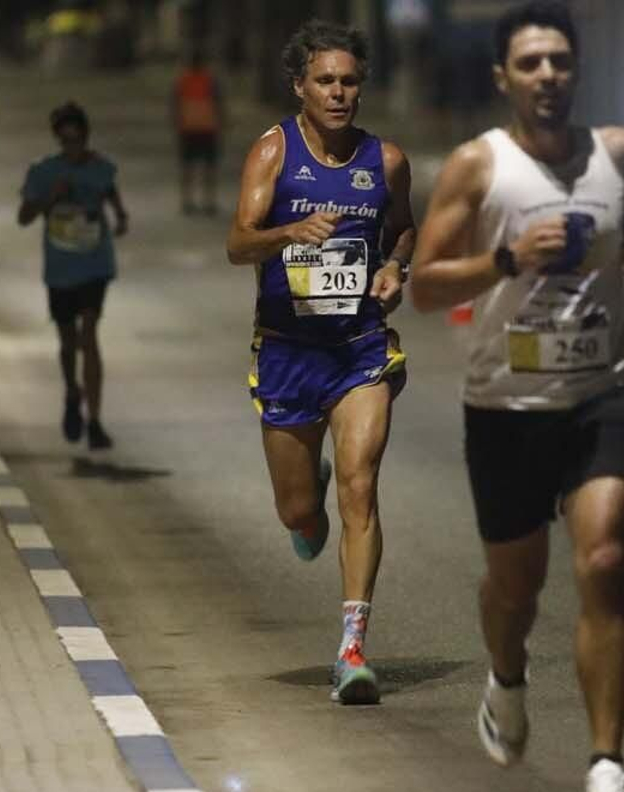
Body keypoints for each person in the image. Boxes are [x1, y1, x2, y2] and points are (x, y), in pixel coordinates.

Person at [409, 0, 624, 792]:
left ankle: (606, 770)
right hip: (507, 409)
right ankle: (506, 679)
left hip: (601, 394)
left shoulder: (615, 152)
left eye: (558, 61)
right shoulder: (478, 167)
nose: (546, 76)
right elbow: (426, 284)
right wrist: (509, 258)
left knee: (606, 560)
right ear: (502, 78)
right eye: (529, 64)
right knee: (518, 591)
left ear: (575, 70)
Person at [225, 20, 414, 706]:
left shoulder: (385, 159)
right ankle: (307, 503)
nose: (339, 93)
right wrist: (287, 232)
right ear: (300, 87)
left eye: (350, 81)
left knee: (360, 488)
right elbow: (238, 243)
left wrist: (395, 267)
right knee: (301, 513)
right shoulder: (273, 152)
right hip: (286, 352)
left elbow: (404, 228)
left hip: (359, 351)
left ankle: (354, 648)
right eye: (326, 81)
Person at [17, 102, 129, 452]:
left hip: (95, 266)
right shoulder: (44, 172)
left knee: (89, 334)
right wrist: (51, 198)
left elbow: (116, 206)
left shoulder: (102, 169)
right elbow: (23, 216)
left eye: (77, 141)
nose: (72, 148)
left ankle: (94, 419)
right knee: (68, 341)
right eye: (66, 142)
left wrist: (118, 218)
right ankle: (71, 391)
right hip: (60, 269)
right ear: (57, 140)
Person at [173, 49, 225, 215]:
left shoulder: (183, 80)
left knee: (188, 166)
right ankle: (208, 201)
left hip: (188, 128)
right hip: (207, 127)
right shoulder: (210, 80)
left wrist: (176, 122)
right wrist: (223, 120)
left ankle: (187, 201)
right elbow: (218, 102)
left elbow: (175, 103)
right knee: (208, 167)